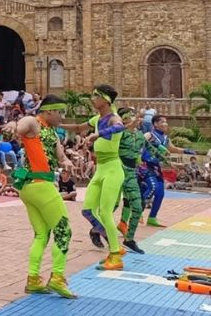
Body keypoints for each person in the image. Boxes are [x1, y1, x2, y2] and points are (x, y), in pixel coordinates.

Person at [14, 99, 77, 299]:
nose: (62, 116)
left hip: (29, 188)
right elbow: (22, 126)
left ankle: (33, 279)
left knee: (42, 234)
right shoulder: (34, 122)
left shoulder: (52, 132)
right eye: (60, 112)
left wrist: (66, 162)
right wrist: (14, 126)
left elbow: (61, 157)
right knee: (64, 231)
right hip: (40, 185)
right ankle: (57, 277)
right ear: (49, 112)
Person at [81, 84, 126, 271]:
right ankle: (115, 246)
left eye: (96, 96)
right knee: (88, 211)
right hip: (100, 169)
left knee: (106, 212)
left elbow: (119, 127)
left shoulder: (113, 118)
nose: (92, 99)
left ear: (105, 100)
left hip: (113, 169)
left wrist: (98, 134)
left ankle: (115, 255)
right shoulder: (97, 119)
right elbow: (78, 126)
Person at [115, 108, 147, 255]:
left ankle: (129, 239)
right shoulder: (119, 133)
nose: (132, 119)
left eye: (133, 116)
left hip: (130, 174)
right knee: (112, 206)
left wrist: (169, 161)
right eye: (128, 117)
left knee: (138, 207)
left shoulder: (140, 135)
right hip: (116, 171)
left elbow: (152, 148)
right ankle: (96, 229)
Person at [141, 113, 175, 227]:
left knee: (160, 193)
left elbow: (172, 149)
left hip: (156, 168)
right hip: (145, 166)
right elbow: (141, 140)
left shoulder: (166, 138)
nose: (165, 124)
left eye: (166, 121)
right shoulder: (149, 134)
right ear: (155, 124)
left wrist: (186, 150)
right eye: (162, 121)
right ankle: (135, 211)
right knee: (152, 189)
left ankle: (152, 218)